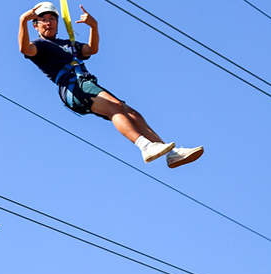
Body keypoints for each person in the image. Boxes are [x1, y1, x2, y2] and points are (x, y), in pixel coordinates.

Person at [18, 2, 204, 168]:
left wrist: (94, 26)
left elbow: (92, 49)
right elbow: (25, 49)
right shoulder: (39, 46)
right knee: (114, 108)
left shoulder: (69, 44)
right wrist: (22, 21)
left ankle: (171, 155)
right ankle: (145, 146)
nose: (48, 23)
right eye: (42, 20)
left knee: (131, 113)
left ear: (58, 22)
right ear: (35, 25)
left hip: (86, 83)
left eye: (52, 19)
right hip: (73, 87)